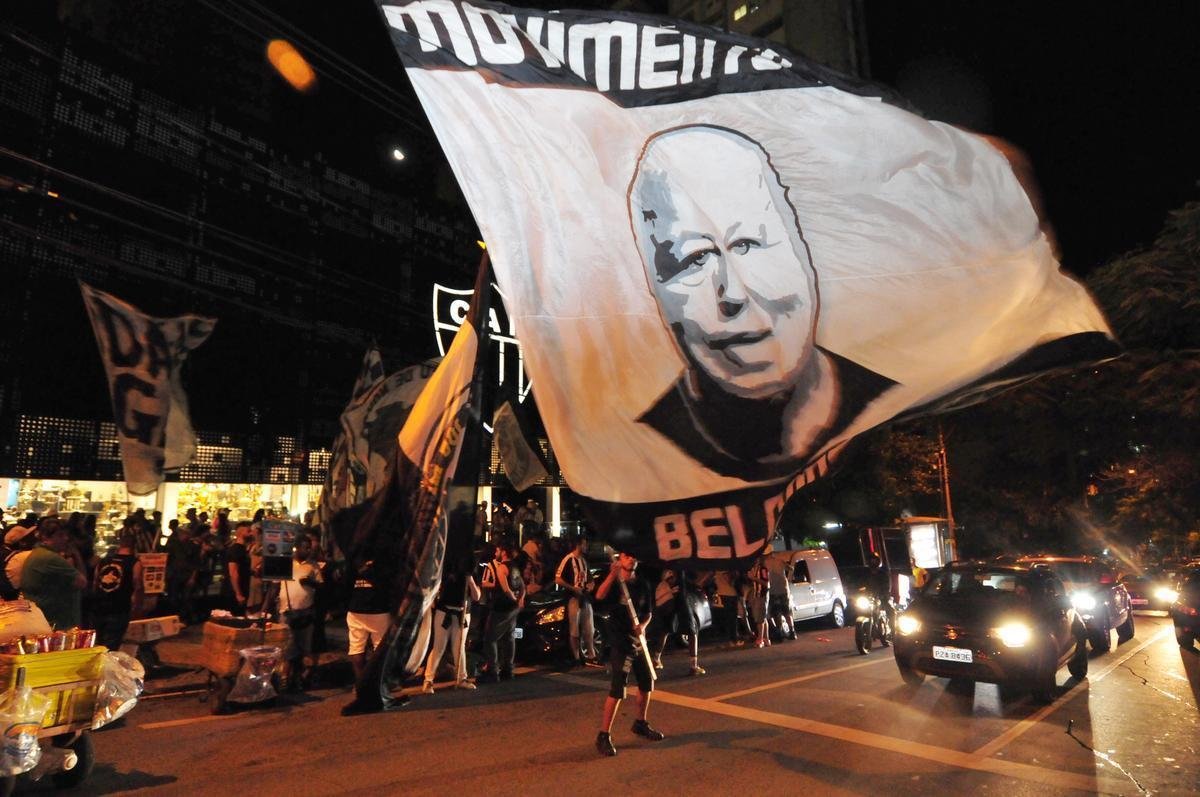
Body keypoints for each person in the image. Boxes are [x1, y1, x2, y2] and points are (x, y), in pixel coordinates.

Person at [628, 125, 895, 482]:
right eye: (695, 259)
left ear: (803, 251)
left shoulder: (894, 407)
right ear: (655, 291)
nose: (733, 294)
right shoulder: (633, 451)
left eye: (747, 245)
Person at [594, 552, 664, 757]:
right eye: (627, 556)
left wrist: (642, 626)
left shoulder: (643, 584)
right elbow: (599, 596)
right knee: (618, 689)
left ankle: (640, 722)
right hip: (620, 642)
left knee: (646, 682)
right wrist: (611, 575)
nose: (631, 559)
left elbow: (648, 612)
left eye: (634, 557)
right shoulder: (616, 583)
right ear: (620, 559)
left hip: (638, 642)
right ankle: (604, 734)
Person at [273, 531, 323, 689]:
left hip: (306, 611)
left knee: (303, 647)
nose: (308, 550)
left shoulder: (313, 566)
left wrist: (310, 583)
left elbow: (321, 586)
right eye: (305, 547)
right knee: (287, 647)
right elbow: (274, 586)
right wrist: (266, 607)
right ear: (296, 548)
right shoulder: (285, 563)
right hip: (287, 611)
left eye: (309, 548)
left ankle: (297, 678)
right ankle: (284, 678)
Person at [20, 517, 88, 630]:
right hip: (57, 623)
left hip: (44, 620)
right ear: (45, 537)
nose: (66, 538)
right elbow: (82, 582)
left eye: (66, 535)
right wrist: (76, 555)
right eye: (60, 535)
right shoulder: (50, 558)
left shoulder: (38, 554)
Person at [422, 567, 481, 693]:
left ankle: (462, 678)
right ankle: (428, 680)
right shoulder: (446, 569)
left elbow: (477, 597)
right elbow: (435, 587)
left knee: (459, 647)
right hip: (445, 612)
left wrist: (470, 581)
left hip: (463, 613)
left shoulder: (471, 571)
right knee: (439, 647)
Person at [92, 530, 144, 650]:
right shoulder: (134, 563)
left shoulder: (104, 561)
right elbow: (138, 585)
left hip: (99, 606)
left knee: (99, 642)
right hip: (119, 607)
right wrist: (137, 607)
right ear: (134, 546)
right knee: (112, 643)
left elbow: (95, 582)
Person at [480, 543, 524, 683]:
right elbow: (522, 585)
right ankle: (508, 669)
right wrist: (520, 599)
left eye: (498, 550)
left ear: (504, 552)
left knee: (490, 638)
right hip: (513, 608)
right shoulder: (515, 567)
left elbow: (505, 589)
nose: (496, 552)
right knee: (509, 637)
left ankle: (493, 671)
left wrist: (513, 598)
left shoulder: (501, 567)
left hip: (502, 607)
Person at [554, 536, 599, 668]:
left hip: (585, 598)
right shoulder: (568, 559)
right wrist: (573, 588)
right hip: (573, 598)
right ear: (578, 545)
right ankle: (576, 657)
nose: (586, 547)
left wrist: (590, 585)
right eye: (584, 544)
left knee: (589, 628)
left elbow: (590, 579)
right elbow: (558, 579)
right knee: (574, 629)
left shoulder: (583, 561)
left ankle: (591, 655)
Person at [345, 556, 391, 683]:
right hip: (378, 609)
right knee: (380, 648)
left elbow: (345, 583)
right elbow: (388, 585)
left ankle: (360, 683)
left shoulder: (355, 560)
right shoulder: (383, 562)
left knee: (356, 647)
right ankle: (377, 683)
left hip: (356, 608)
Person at [223, 521, 254, 615]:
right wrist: (238, 594)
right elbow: (233, 572)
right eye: (249, 531)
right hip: (235, 592)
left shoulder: (242, 549)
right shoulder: (236, 550)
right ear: (240, 532)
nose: (252, 533)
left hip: (241, 589)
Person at [768, 556, 796, 641]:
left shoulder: (764, 563)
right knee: (787, 612)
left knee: (777, 613)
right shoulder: (780, 561)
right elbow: (791, 568)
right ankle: (792, 632)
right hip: (784, 590)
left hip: (773, 591)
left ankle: (779, 633)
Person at [747, 553, 771, 647]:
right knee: (762, 618)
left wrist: (754, 578)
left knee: (759, 619)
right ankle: (766, 639)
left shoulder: (762, 569)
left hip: (762, 595)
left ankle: (760, 639)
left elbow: (766, 584)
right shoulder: (755, 569)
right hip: (757, 595)